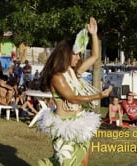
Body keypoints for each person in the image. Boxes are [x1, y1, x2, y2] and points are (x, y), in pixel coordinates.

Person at [38, 17, 112, 166]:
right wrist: (98, 96)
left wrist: (94, 34)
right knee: (68, 163)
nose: (79, 57)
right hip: (64, 126)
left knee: (84, 162)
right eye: (76, 54)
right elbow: (72, 98)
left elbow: (95, 57)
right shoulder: (57, 77)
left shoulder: (74, 71)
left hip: (79, 122)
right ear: (66, 55)